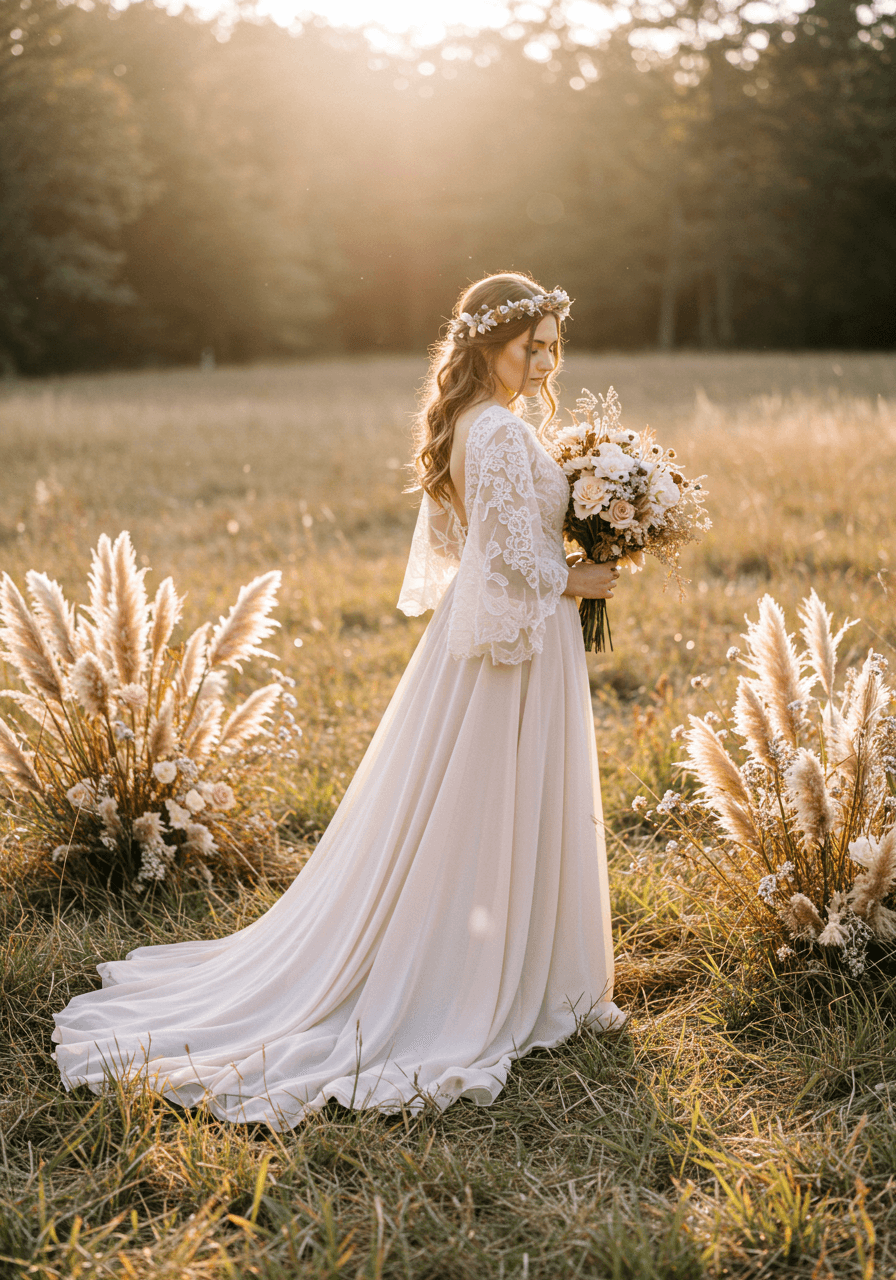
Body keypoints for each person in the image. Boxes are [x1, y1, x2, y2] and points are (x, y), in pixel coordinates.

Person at [52, 272, 626, 1131]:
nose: (543, 361)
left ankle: (497, 951)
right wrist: (585, 574)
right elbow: (509, 562)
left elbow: (475, 549)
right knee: (493, 801)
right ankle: (480, 979)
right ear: (484, 344)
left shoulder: (477, 424)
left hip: (490, 644)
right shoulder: (501, 431)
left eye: (551, 345)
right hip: (517, 646)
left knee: (465, 805)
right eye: (527, 345)